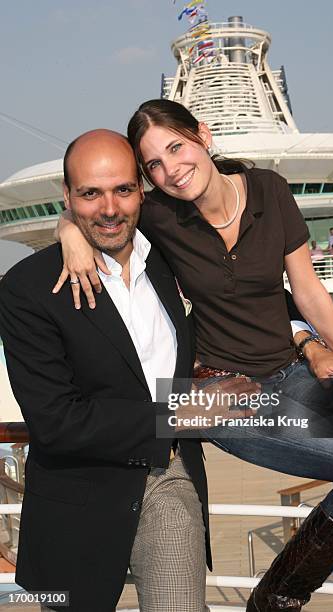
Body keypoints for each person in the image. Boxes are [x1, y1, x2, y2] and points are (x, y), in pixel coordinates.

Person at [55, 101, 333, 611]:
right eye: (153, 164)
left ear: (204, 135)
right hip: (221, 393)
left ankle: (276, 596)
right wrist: (69, 233)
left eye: (176, 147)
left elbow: (307, 292)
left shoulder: (269, 190)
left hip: (296, 370)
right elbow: (92, 209)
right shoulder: (159, 214)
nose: (170, 170)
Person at [0, 130, 216, 612]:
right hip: (77, 499)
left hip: (168, 474)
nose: (110, 209)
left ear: (142, 189)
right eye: (90, 194)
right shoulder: (26, 289)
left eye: (122, 189)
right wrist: (176, 415)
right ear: (68, 196)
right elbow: (55, 420)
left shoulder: (169, 259)